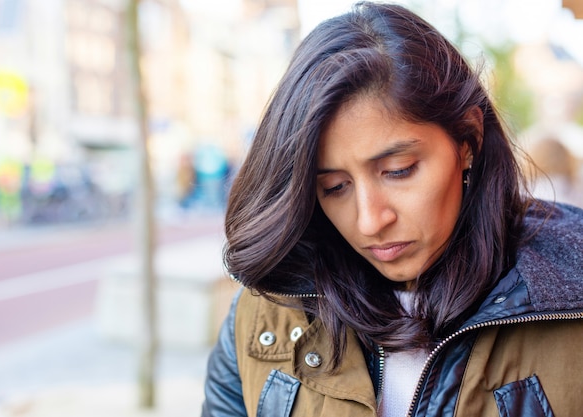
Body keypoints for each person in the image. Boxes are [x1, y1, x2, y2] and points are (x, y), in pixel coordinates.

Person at [201, 2, 583, 417]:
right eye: (334, 187)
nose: (370, 220)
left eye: (398, 171)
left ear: (468, 140)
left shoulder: (571, 291)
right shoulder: (265, 313)